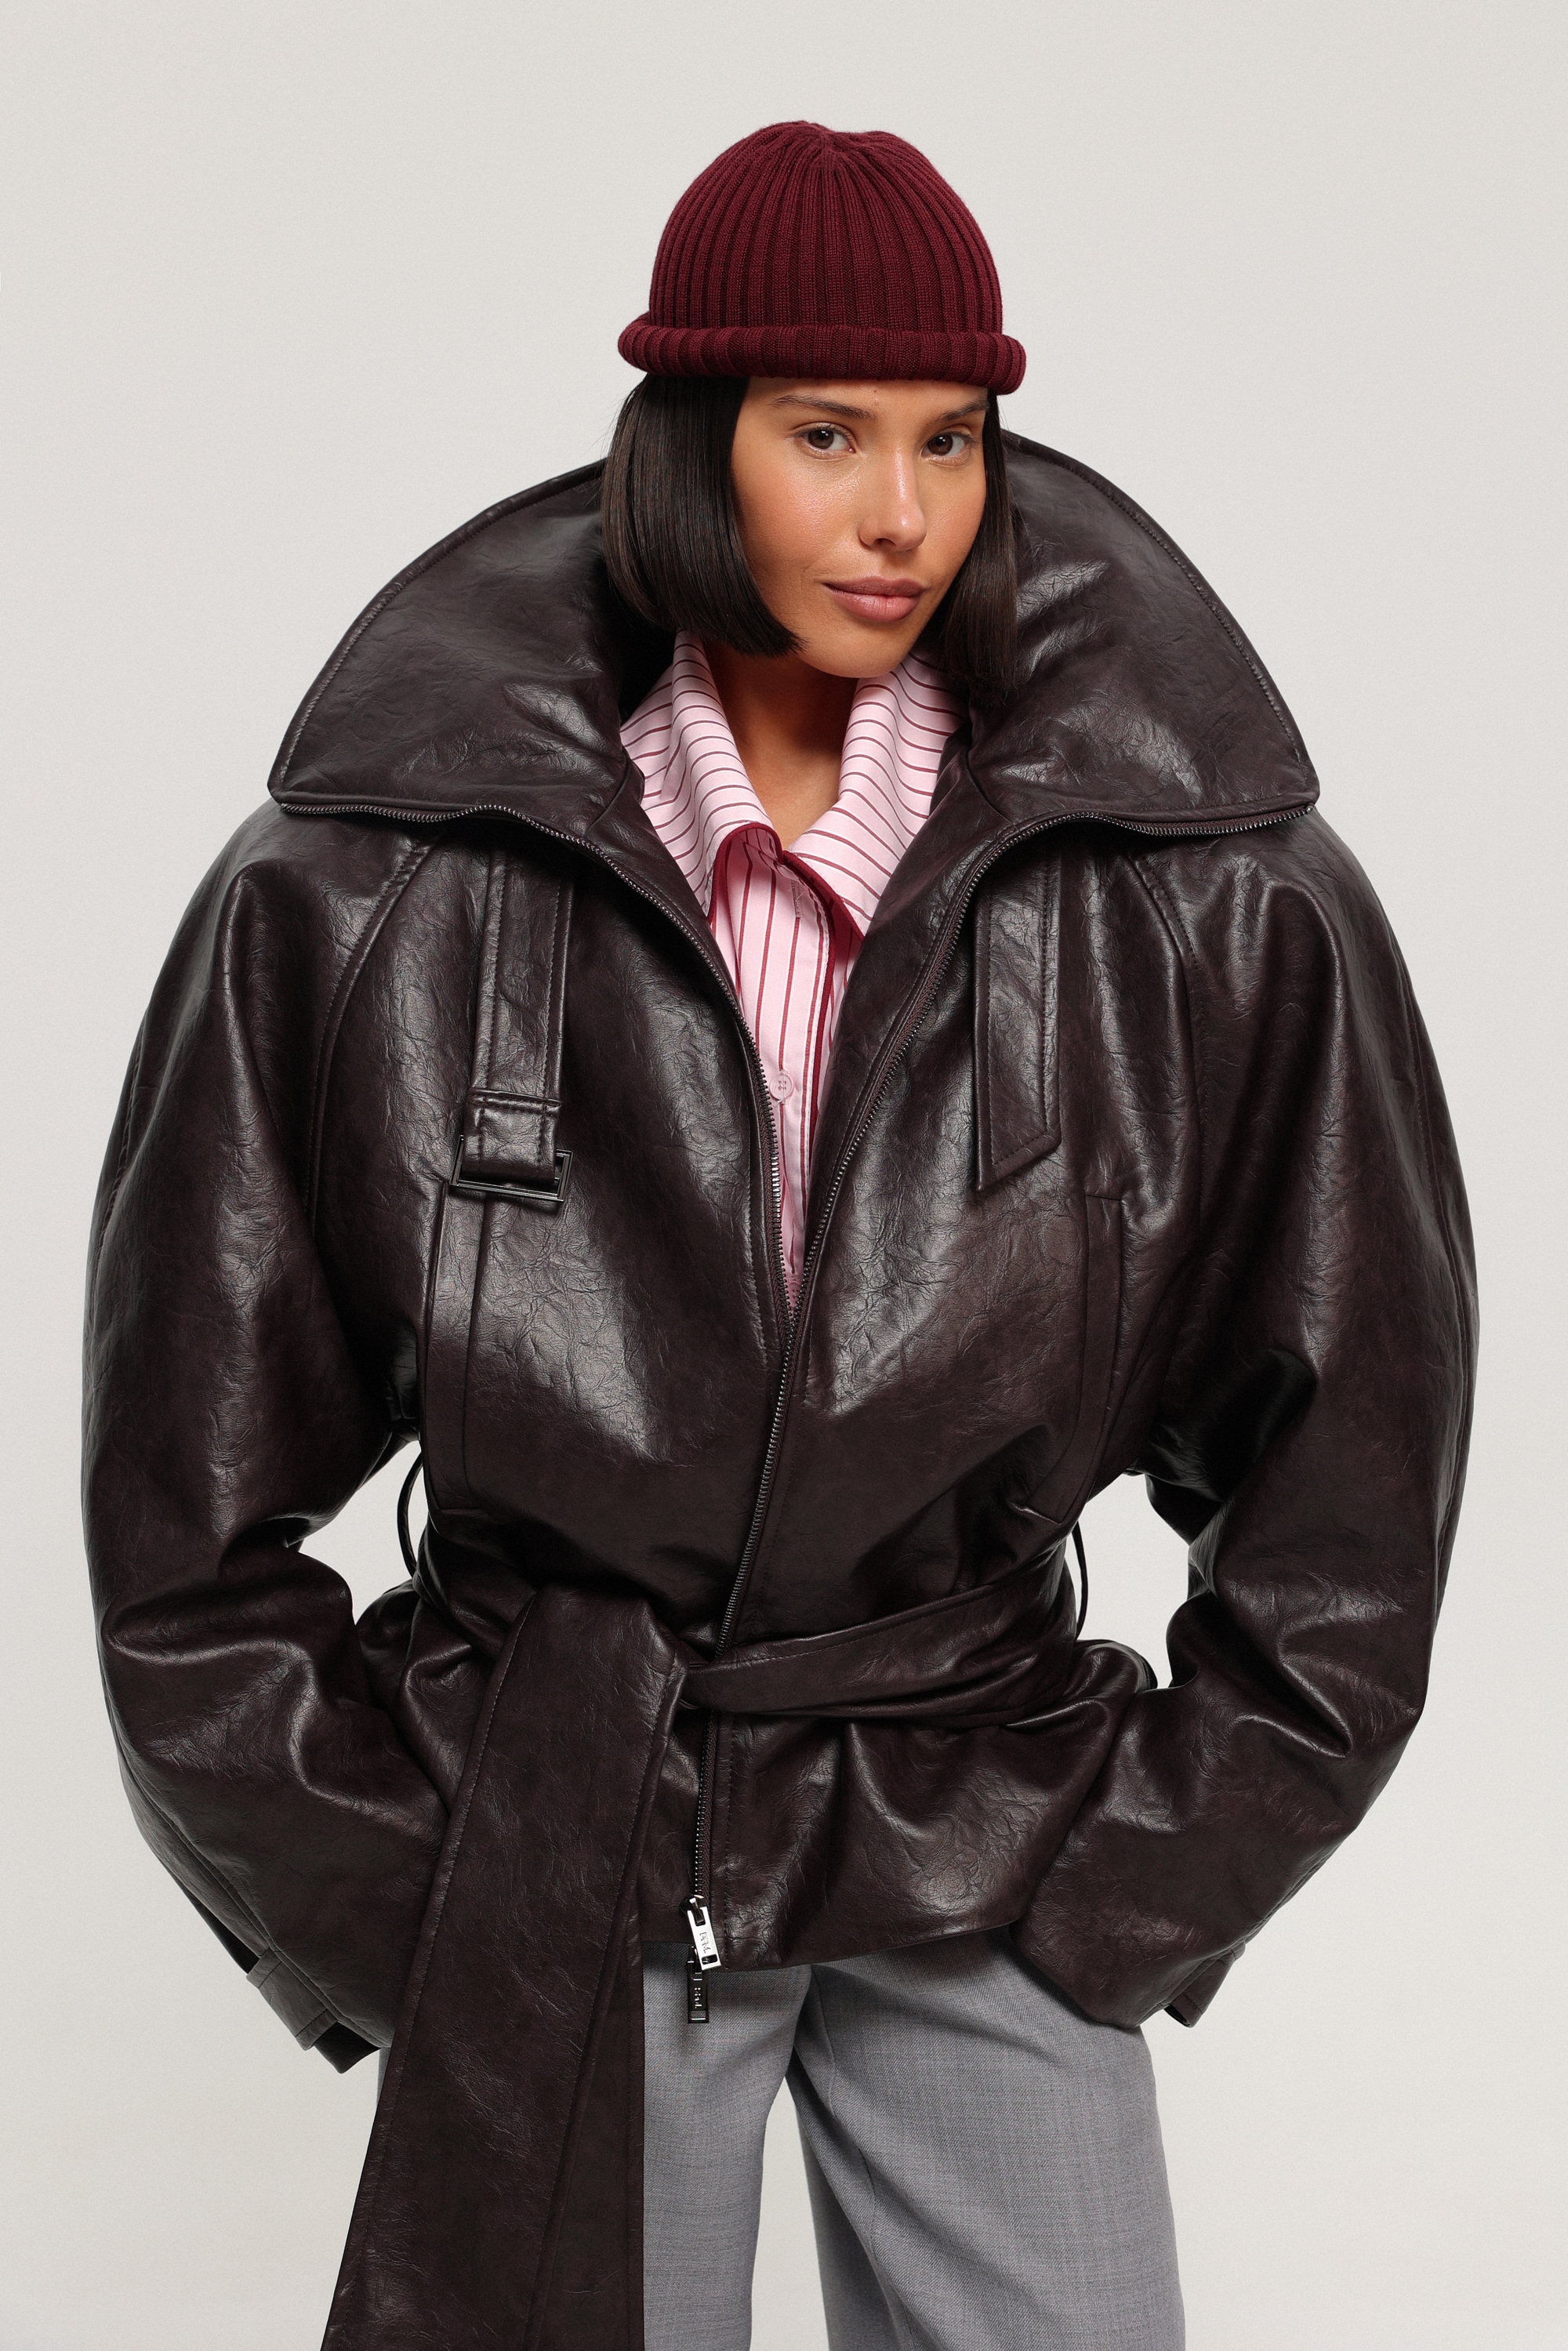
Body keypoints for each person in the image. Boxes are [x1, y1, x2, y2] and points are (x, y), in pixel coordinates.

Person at [82, 120, 1476, 2351]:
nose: (902, 511)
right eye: (825, 433)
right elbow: (183, 1511)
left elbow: (1356, 1471)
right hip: (565, 1840)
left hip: (987, 1825)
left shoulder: (1206, 890)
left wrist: (1140, 1879)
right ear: (687, 442)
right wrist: (422, 1900)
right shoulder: (363, 884)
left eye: (951, 437)